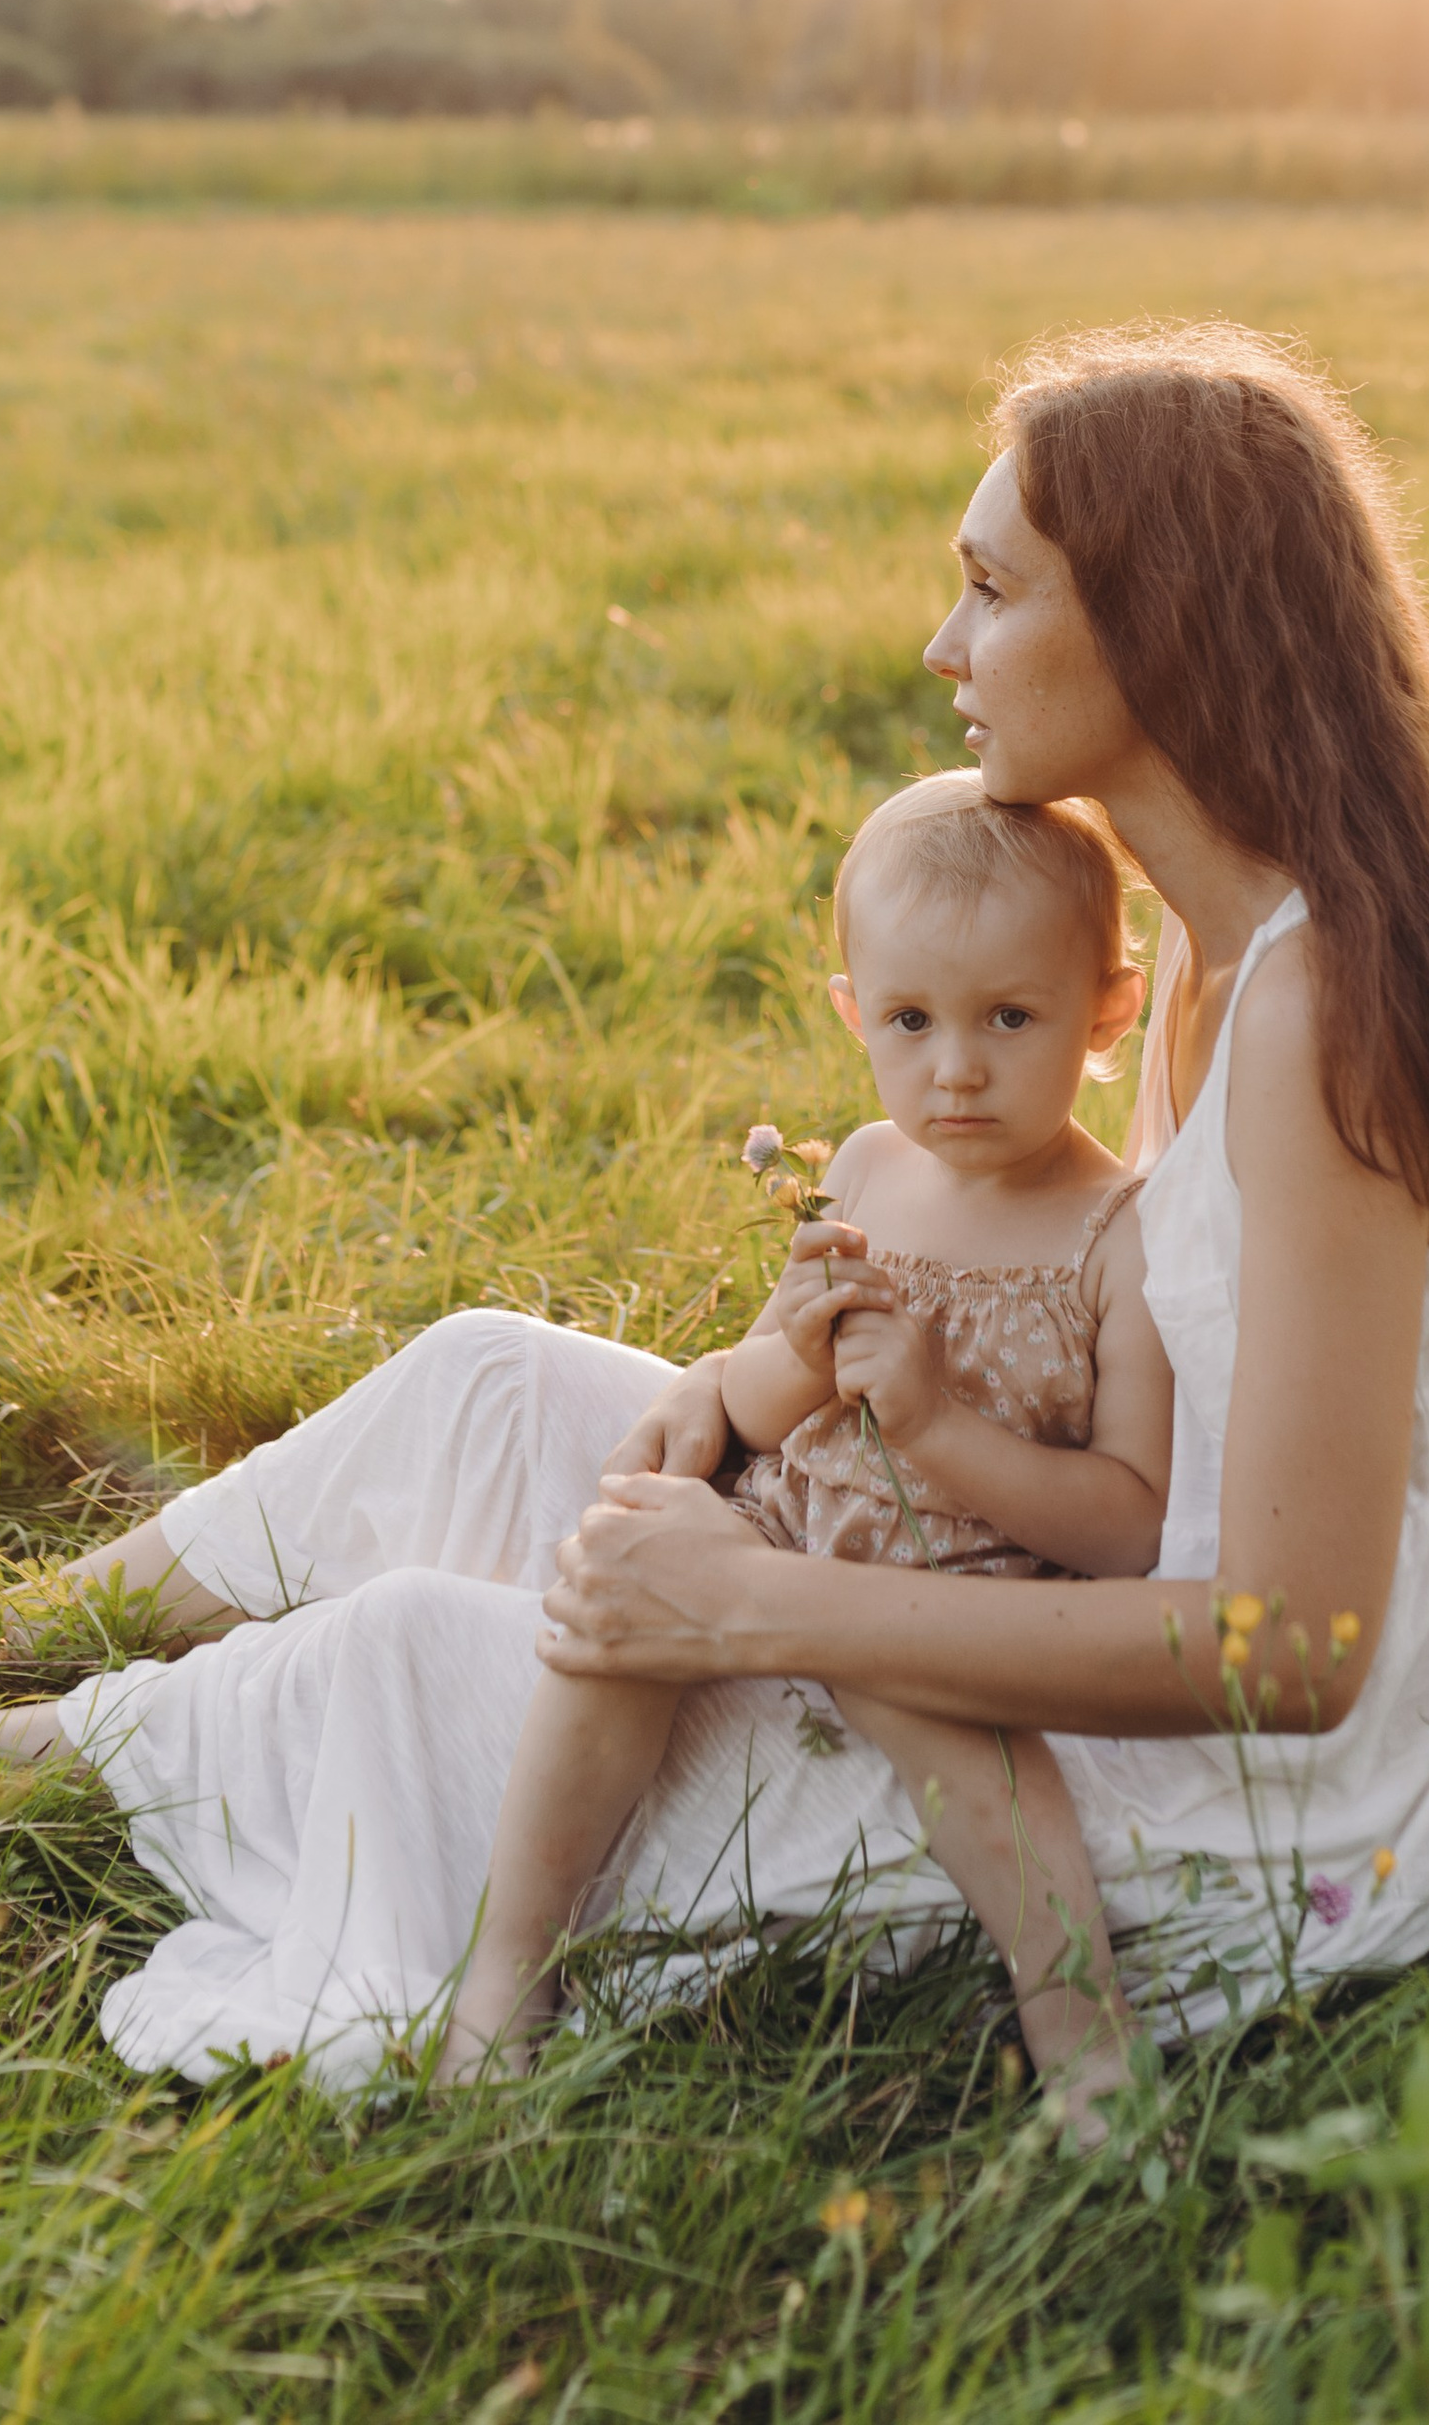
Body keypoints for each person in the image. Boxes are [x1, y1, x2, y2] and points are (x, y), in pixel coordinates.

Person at [0, 322, 1429, 2102]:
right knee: (495, 1387)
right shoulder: (1208, 948)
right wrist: (763, 1438)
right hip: (1086, 1647)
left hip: (1238, 1851)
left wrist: (767, 1606)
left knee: (443, 1654)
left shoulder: (1323, 1016)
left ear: (1163, 621)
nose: (938, 641)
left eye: (990, 588)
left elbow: (1286, 1650)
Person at [443, 772, 1172, 2117]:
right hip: (783, 1521)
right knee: (606, 1623)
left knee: (996, 1790)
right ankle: (508, 1970)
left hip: (954, 1591)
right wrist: (776, 1354)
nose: (956, 1066)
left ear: (1108, 1008)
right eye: (910, 1019)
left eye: (1011, 1017)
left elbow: (1128, 1523)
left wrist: (941, 1429)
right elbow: (778, 1413)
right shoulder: (868, 1170)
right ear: (854, 1011)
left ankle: (1082, 2040)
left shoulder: (1116, 1238)